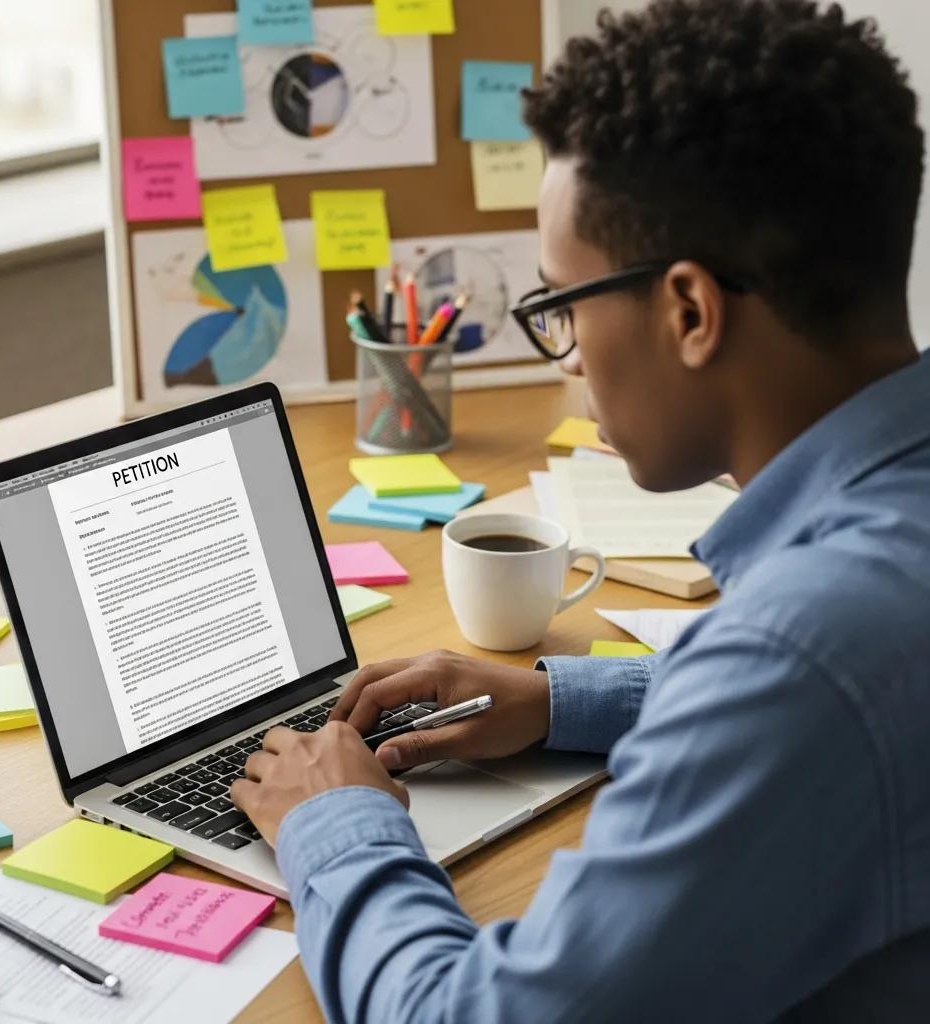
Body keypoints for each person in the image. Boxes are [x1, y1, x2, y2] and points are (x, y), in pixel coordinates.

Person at [231, 1, 930, 1019]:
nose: (562, 351)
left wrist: (332, 820)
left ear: (689, 310)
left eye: (562, 304)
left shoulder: (799, 654)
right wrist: (563, 702)